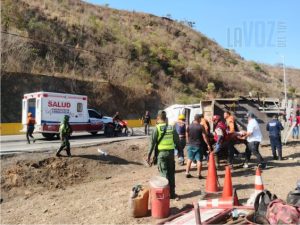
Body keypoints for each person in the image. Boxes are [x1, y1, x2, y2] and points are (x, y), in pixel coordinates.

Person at [147, 110, 180, 199]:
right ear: (165, 118)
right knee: (171, 174)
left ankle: (166, 195)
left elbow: (152, 144)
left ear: (158, 118)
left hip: (161, 154)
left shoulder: (156, 128)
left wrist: (149, 156)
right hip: (171, 154)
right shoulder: (171, 127)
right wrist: (180, 152)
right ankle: (172, 194)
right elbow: (177, 141)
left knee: (164, 174)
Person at [185, 114, 212, 179]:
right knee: (199, 160)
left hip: (190, 145)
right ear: (199, 119)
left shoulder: (189, 126)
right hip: (198, 145)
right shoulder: (201, 126)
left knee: (189, 159)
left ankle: (187, 172)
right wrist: (208, 144)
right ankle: (199, 174)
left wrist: (188, 142)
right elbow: (204, 137)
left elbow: (186, 135)